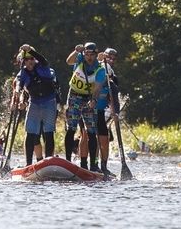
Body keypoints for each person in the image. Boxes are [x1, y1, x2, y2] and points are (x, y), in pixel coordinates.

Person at [13, 45, 60, 165]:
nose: (30, 62)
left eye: (32, 59)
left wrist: (31, 51)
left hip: (49, 102)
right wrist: (18, 91)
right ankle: (28, 164)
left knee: (48, 132)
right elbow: (19, 83)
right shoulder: (22, 73)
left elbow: (43, 59)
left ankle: (48, 162)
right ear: (23, 62)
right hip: (34, 103)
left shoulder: (43, 66)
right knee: (31, 133)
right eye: (27, 60)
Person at [66, 42, 106, 171]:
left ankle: (92, 166)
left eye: (92, 55)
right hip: (74, 96)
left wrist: (94, 100)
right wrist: (76, 51)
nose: (89, 57)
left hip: (88, 99)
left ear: (95, 55)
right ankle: (68, 161)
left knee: (91, 131)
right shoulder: (79, 59)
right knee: (71, 128)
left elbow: (98, 88)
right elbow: (68, 61)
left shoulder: (100, 69)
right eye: (87, 54)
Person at [96, 48, 120, 173]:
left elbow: (113, 96)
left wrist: (115, 113)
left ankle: (103, 166)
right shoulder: (97, 67)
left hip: (102, 110)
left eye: (113, 58)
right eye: (109, 57)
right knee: (89, 137)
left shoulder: (113, 77)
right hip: (90, 109)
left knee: (104, 138)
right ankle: (91, 165)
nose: (111, 60)